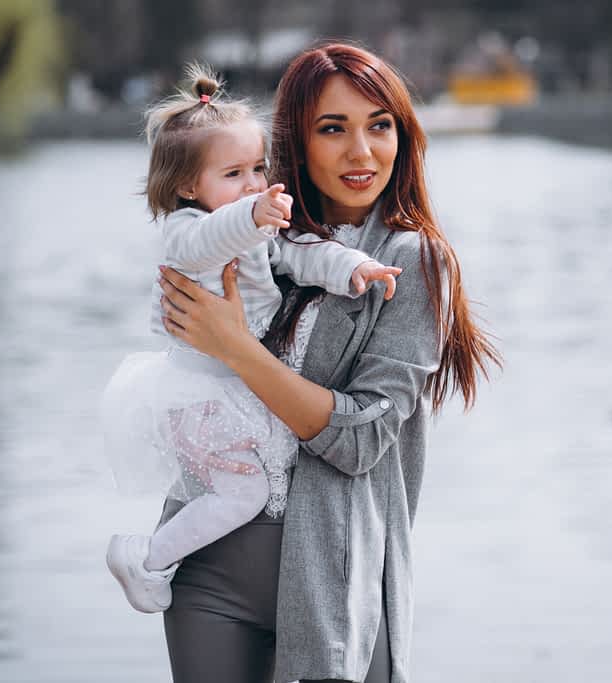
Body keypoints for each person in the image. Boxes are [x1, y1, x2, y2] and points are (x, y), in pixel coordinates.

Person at [155, 43, 500, 683]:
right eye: (332, 128)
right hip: (206, 572)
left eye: (379, 126)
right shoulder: (254, 234)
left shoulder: (410, 261)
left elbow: (362, 439)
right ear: (295, 142)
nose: (361, 152)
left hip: (335, 589)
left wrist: (236, 347)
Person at [100, 63, 403, 615]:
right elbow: (210, 242)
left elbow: (300, 256)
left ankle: (161, 557)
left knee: (251, 487)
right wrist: (253, 213)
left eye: (259, 168)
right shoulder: (187, 229)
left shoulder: (253, 226)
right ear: (189, 186)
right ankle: (146, 558)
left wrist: (355, 267)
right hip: (198, 392)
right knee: (247, 494)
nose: (255, 184)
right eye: (234, 173)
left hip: (227, 383)